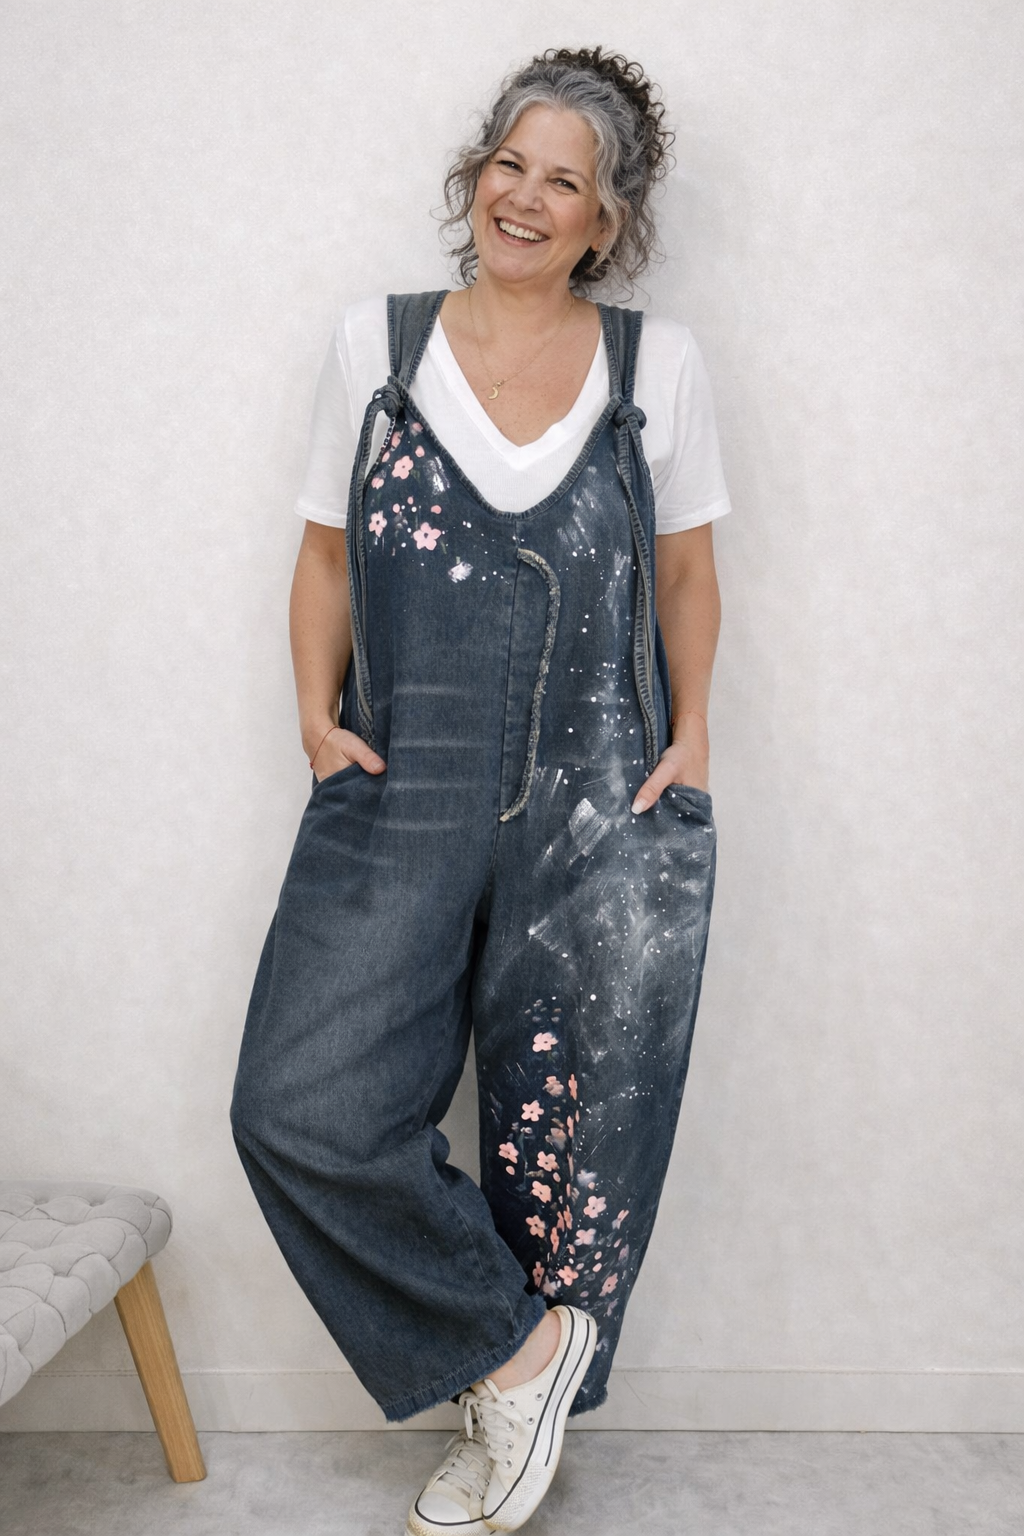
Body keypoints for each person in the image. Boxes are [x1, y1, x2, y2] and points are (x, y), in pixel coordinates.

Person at [230, 45, 731, 1536]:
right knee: (299, 1106)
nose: (525, 196)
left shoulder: (656, 369)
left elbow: (687, 572)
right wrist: (312, 717)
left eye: (563, 181)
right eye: (511, 163)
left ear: (604, 220)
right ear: (477, 174)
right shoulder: (376, 349)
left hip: (601, 796)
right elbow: (325, 553)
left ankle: (504, 1411)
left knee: (567, 1147)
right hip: (402, 779)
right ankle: (515, 1359)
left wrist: (696, 732)